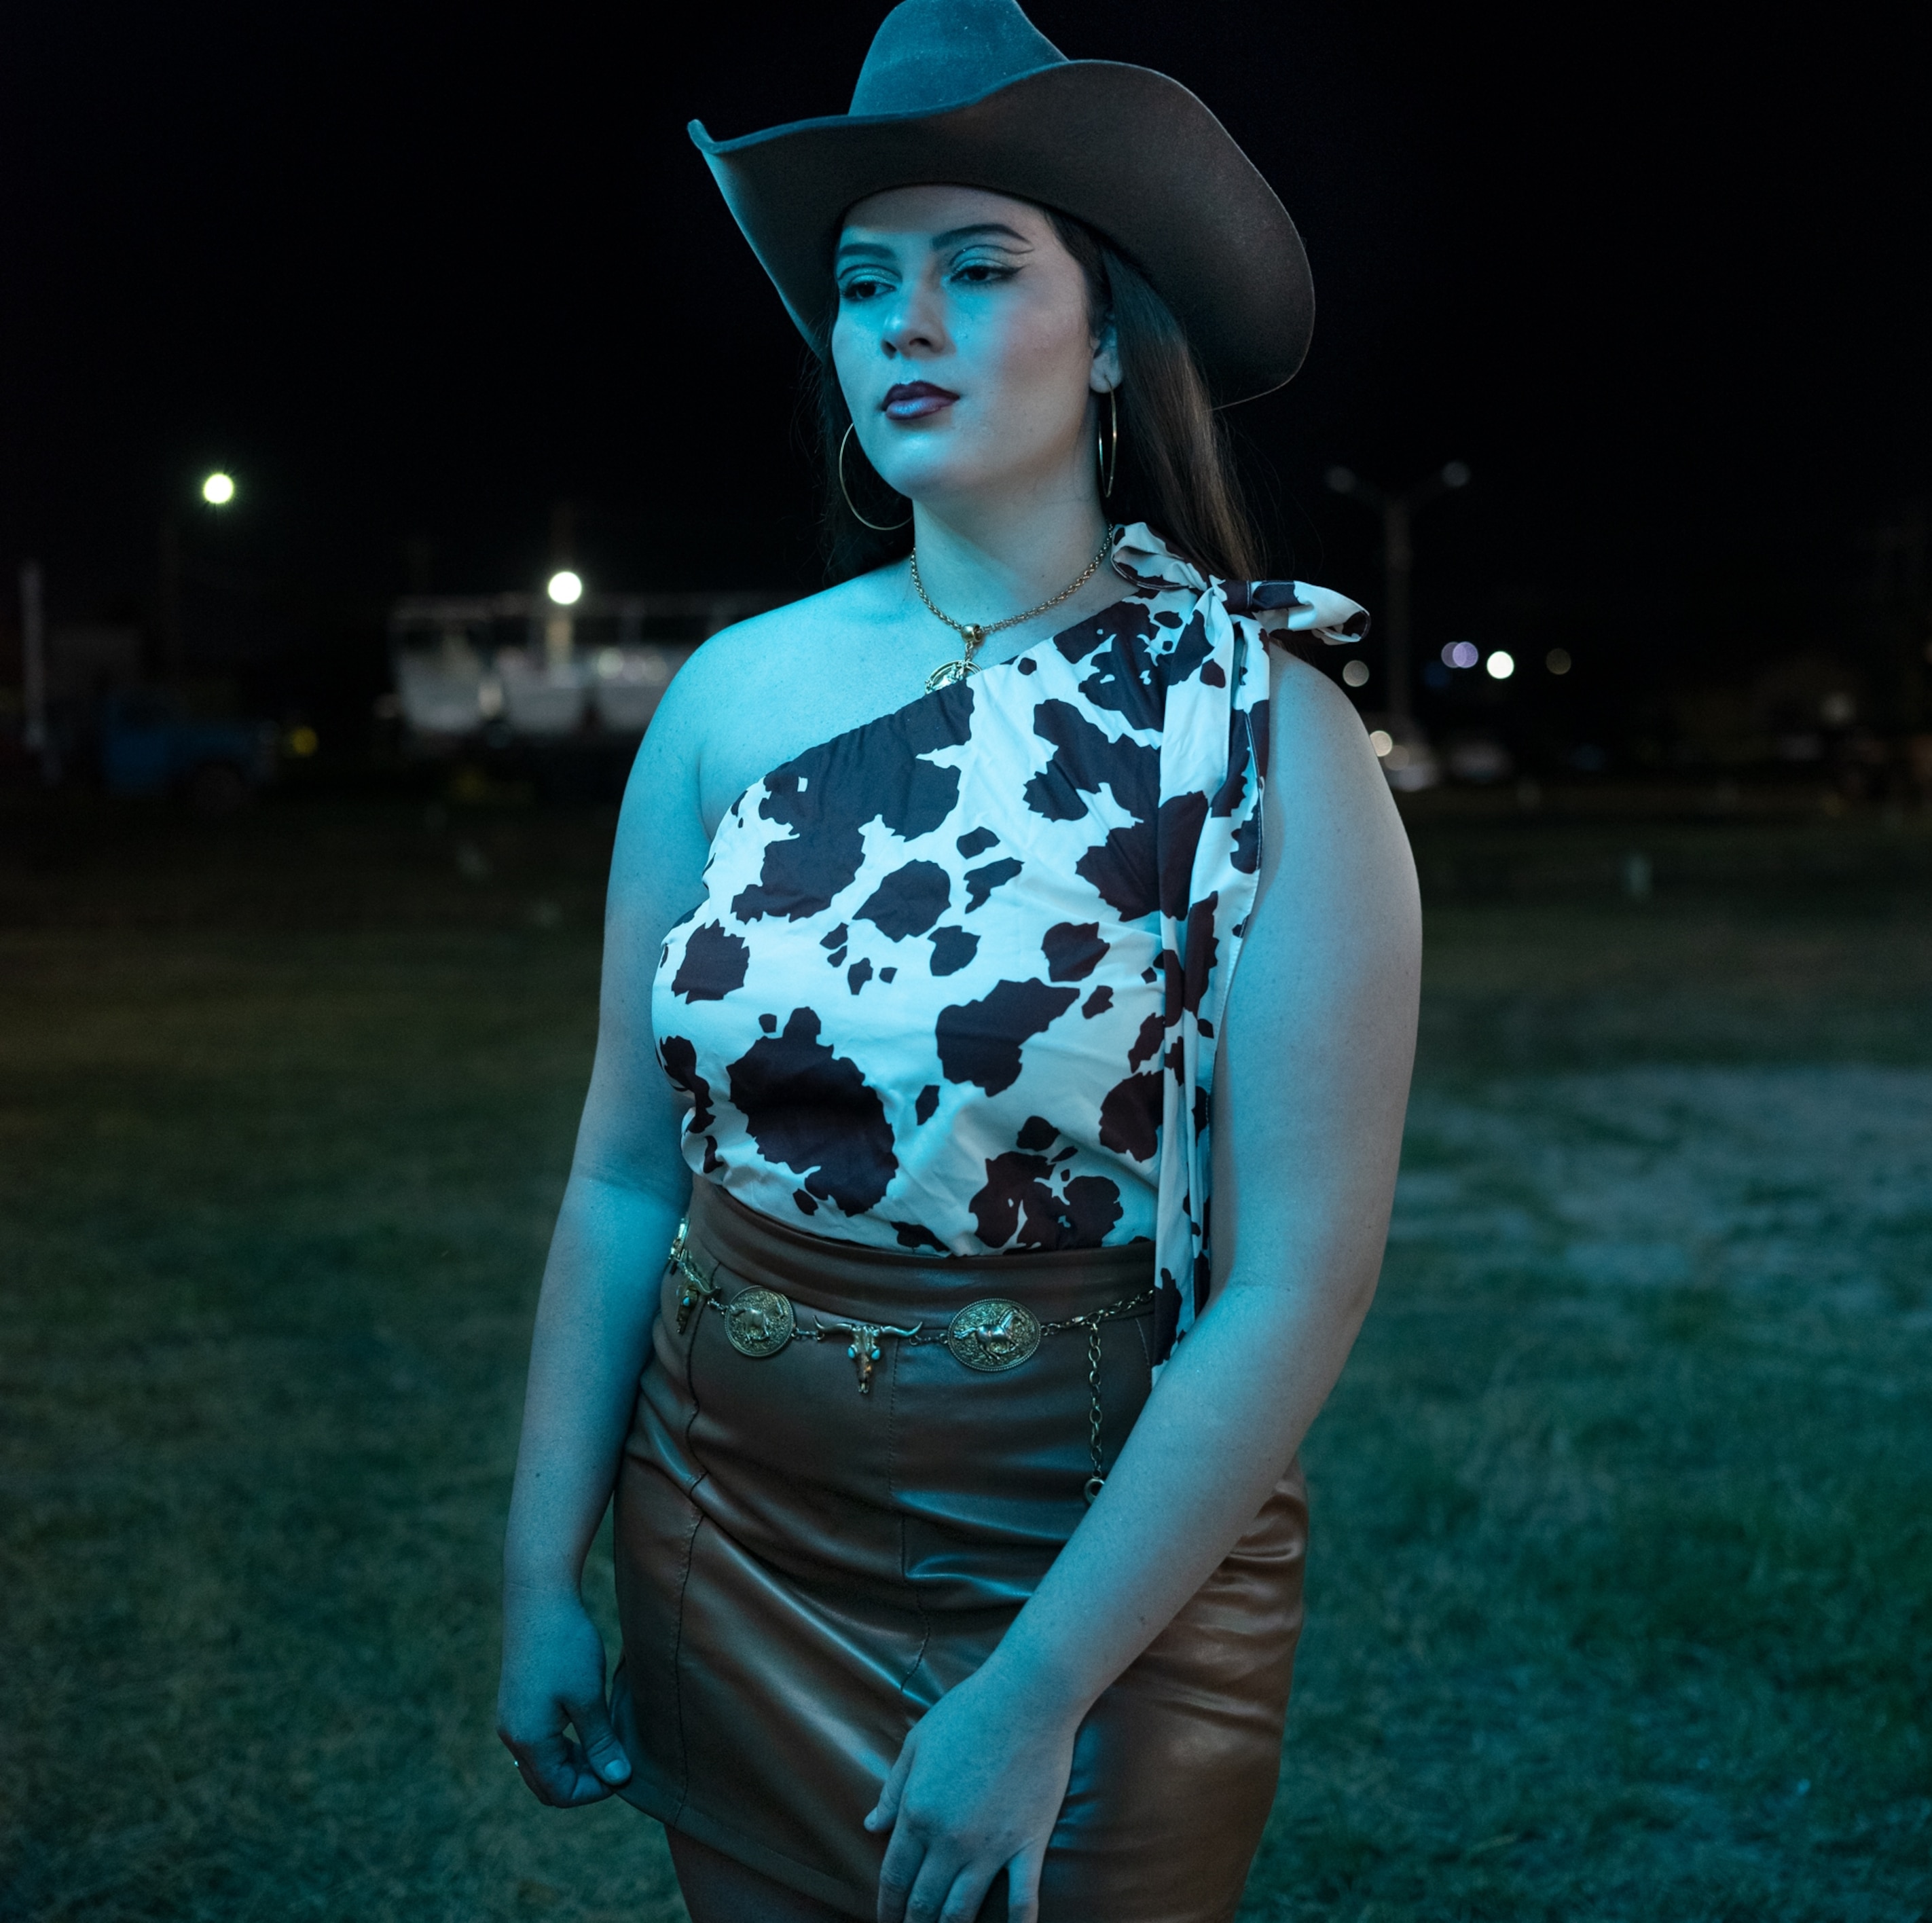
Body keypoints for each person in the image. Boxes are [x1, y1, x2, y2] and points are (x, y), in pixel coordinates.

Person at [495, 2, 1421, 1918]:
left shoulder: (1264, 733)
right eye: (864, 285)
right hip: (730, 1532)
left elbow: (1296, 1284)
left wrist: (1037, 1691)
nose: (902, 325)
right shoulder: (729, 701)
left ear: (1112, 338)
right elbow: (621, 1177)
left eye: (979, 270)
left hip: (1093, 1565)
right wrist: (536, 1578)